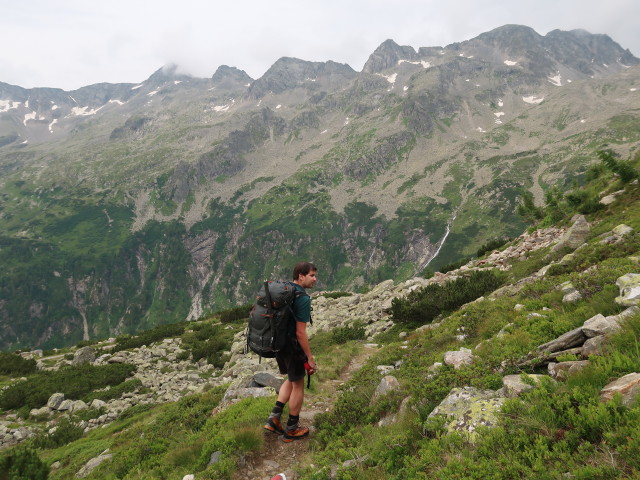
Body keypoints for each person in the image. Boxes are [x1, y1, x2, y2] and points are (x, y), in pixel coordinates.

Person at [264, 261, 317, 442]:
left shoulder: (286, 291)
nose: (315, 279)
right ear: (300, 276)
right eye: (311, 275)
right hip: (292, 347)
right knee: (298, 384)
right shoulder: (301, 297)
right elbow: (300, 332)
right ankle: (292, 429)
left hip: (279, 344)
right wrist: (309, 357)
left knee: (291, 379)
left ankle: (274, 418)